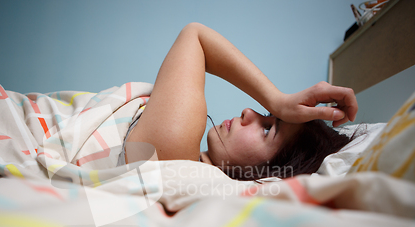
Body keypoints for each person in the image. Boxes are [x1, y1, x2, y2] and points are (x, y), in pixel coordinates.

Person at [121, 23, 358, 180]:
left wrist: (278, 100)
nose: (248, 111)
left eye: (267, 130)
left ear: (268, 173)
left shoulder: (174, 150)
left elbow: (195, 35)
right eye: (268, 113)